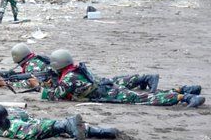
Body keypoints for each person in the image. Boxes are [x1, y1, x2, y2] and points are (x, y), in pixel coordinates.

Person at [41, 49, 205, 108]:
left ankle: (184, 97)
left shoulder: (69, 78)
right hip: (106, 88)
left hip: (106, 93)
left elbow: (55, 96)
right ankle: (182, 90)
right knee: (143, 96)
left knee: (144, 99)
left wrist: (43, 87)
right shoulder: (74, 69)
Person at [0, 43, 162, 93]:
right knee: (110, 81)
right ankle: (143, 78)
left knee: (108, 83)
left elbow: (31, 83)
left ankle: (145, 78)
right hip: (72, 75)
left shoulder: (33, 65)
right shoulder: (34, 60)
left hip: (71, 80)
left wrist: (9, 84)